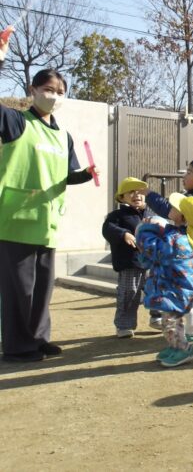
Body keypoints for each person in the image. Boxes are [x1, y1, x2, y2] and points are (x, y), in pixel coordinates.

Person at [0, 26, 98, 363]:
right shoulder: (16, 122)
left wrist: (86, 174)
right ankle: (17, 347)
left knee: (43, 287)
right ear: (32, 90)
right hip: (15, 220)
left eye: (59, 91)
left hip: (47, 222)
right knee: (19, 290)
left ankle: (39, 339)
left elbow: (67, 176)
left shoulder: (62, 136)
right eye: (47, 89)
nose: (54, 96)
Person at [144, 151, 193, 347]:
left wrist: (149, 195)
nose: (184, 176)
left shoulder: (192, 200)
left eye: (189, 172)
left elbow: (169, 211)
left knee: (190, 296)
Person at [137, 193, 193, 368]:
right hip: (173, 288)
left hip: (175, 290)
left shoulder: (177, 240)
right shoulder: (178, 234)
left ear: (182, 217)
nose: (171, 208)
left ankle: (183, 349)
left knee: (170, 323)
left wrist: (145, 231)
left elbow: (154, 250)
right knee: (170, 322)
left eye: (175, 207)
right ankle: (174, 346)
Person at [102, 177, 149, 338]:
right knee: (130, 293)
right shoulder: (117, 215)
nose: (137, 195)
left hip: (152, 262)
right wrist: (124, 234)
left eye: (140, 192)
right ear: (122, 197)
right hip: (130, 262)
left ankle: (158, 317)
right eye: (131, 192)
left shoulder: (149, 214)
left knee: (157, 290)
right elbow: (108, 229)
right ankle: (124, 325)